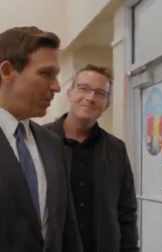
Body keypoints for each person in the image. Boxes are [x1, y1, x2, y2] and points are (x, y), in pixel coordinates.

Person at [0, 26, 82, 252]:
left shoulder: (53, 144)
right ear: (7, 72)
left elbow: (67, 229)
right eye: (46, 73)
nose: (56, 86)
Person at [45, 64, 139, 252]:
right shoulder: (40, 140)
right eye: (83, 88)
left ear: (107, 104)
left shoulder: (116, 149)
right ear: (70, 93)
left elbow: (126, 212)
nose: (90, 98)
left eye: (100, 93)